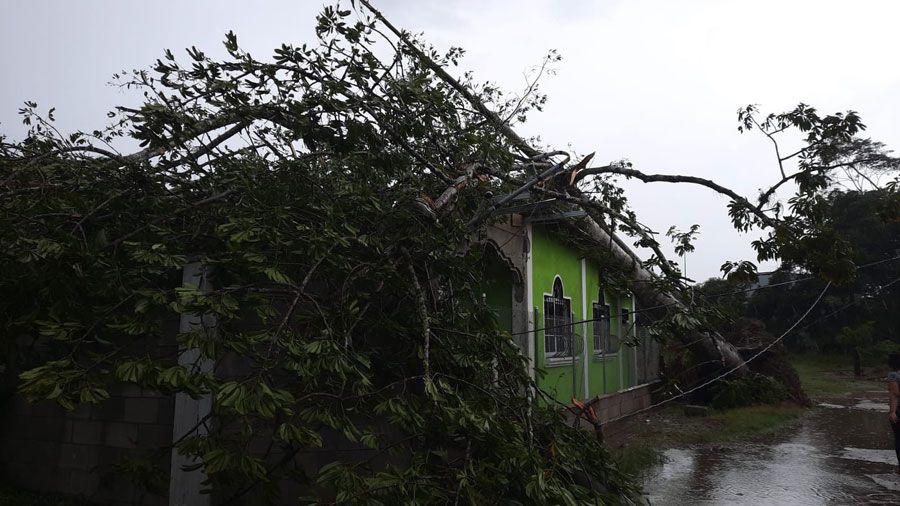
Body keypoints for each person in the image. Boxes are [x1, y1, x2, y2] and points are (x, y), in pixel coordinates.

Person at [888, 352, 900, 473]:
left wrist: (892, 411)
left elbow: (895, 394)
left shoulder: (893, 375)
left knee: (899, 439)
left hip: (898, 409)